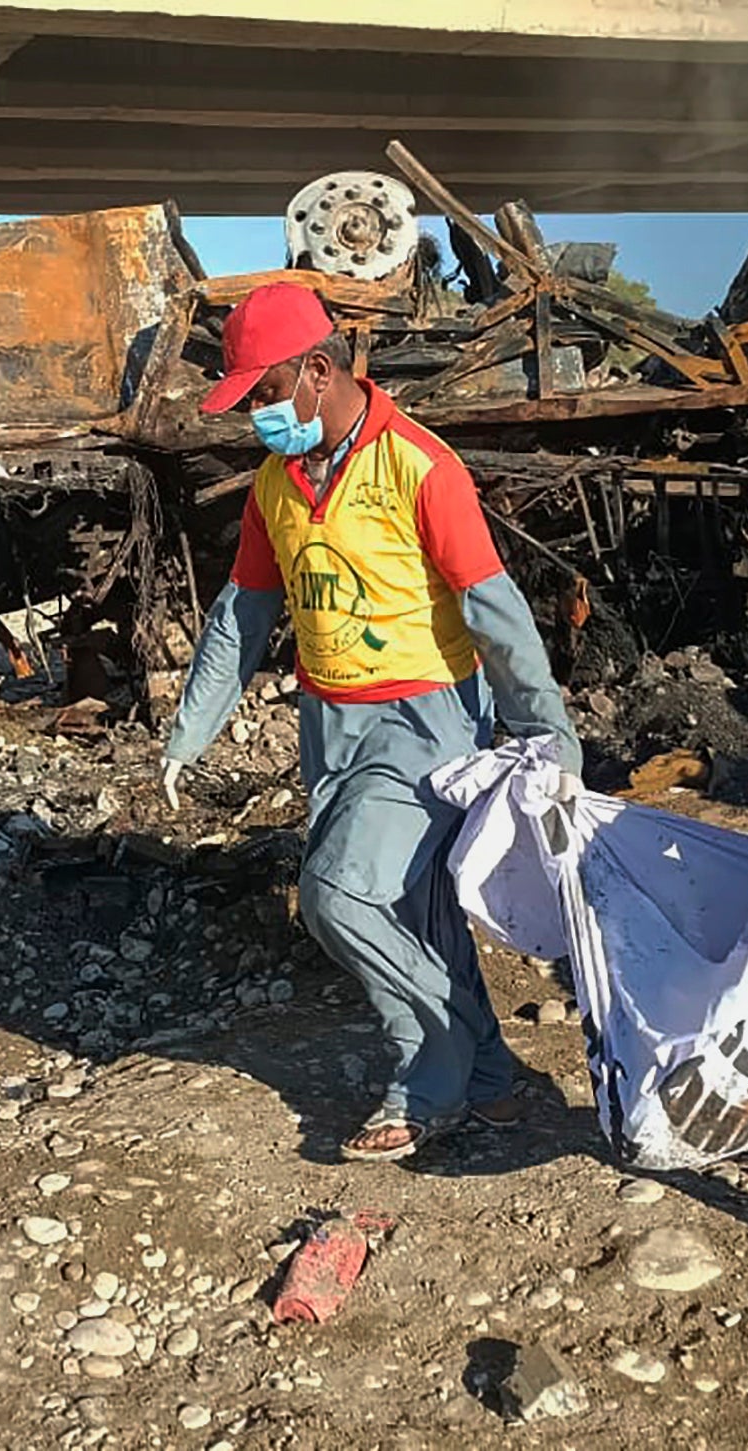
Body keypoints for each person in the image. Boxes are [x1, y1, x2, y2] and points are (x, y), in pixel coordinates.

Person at [161, 282, 582, 1162]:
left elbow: (492, 608)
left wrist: (549, 733)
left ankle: (421, 1074)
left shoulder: (419, 466)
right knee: (417, 911)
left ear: (317, 371)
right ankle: (491, 1082)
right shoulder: (276, 482)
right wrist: (191, 727)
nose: (257, 421)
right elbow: (242, 613)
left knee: (338, 893)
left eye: (265, 396)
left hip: (426, 724)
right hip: (330, 725)